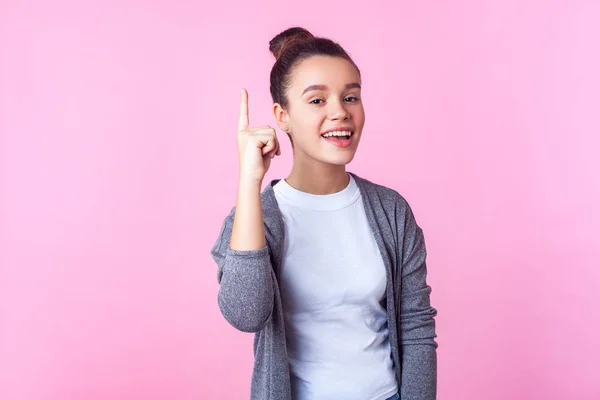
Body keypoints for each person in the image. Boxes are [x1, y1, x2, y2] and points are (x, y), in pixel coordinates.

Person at [211, 27, 438, 400]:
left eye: (351, 97)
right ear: (282, 116)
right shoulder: (258, 217)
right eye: (317, 101)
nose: (340, 112)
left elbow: (415, 326)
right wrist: (249, 181)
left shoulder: (391, 211)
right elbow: (246, 313)